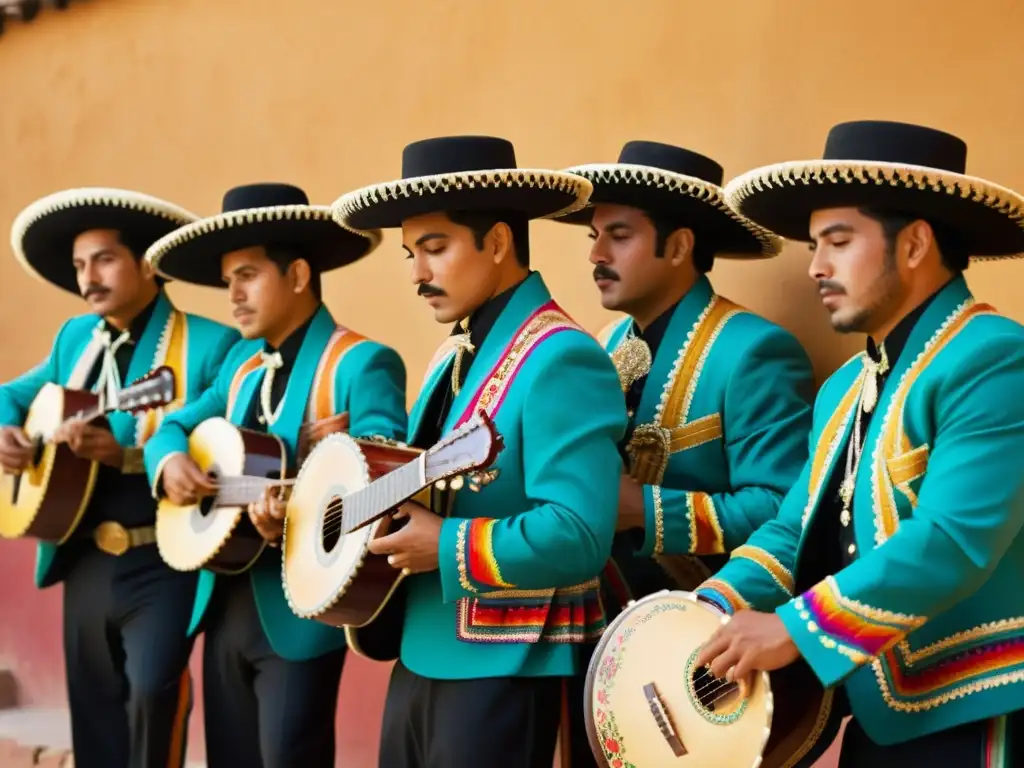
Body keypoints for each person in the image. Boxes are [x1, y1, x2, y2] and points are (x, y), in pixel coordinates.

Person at [693, 120, 1024, 767]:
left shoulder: (995, 357)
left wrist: (793, 627)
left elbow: (953, 540)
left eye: (838, 242)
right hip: (874, 707)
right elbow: (794, 530)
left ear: (915, 244)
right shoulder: (845, 385)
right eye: (816, 245)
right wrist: (712, 608)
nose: (816, 266)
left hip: (975, 704)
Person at [332, 135, 628, 768]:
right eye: (412, 253)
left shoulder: (563, 356)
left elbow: (579, 534)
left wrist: (441, 544)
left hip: (506, 662)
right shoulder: (449, 356)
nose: (416, 274)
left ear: (496, 243)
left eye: (435, 249)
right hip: (418, 648)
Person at [552, 140, 817, 766]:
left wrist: (639, 507)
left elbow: (785, 511)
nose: (595, 254)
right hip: (601, 641)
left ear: (679, 246)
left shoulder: (753, 350)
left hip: (706, 670)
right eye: (594, 235)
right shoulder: (602, 344)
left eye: (618, 235)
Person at [142, 183, 408, 768]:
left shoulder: (362, 361)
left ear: (298, 275)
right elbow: (171, 426)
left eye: (246, 275)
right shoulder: (238, 365)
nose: (232, 294)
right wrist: (171, 464)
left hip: (302, 611)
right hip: (223, 597)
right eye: (227, 280)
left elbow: (385, 484)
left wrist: (310, 493)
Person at [0, 188, 240, 768]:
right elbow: (11, 395)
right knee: (95, 714)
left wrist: (128, 456)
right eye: (80, 265)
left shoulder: (212, 345)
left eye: (104, 259)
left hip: (161, 559)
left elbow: (222, 452)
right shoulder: (74, 340)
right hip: (82, 556)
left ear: (149, 263)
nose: (88, 279)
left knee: (154, 695)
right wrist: (8, 430)